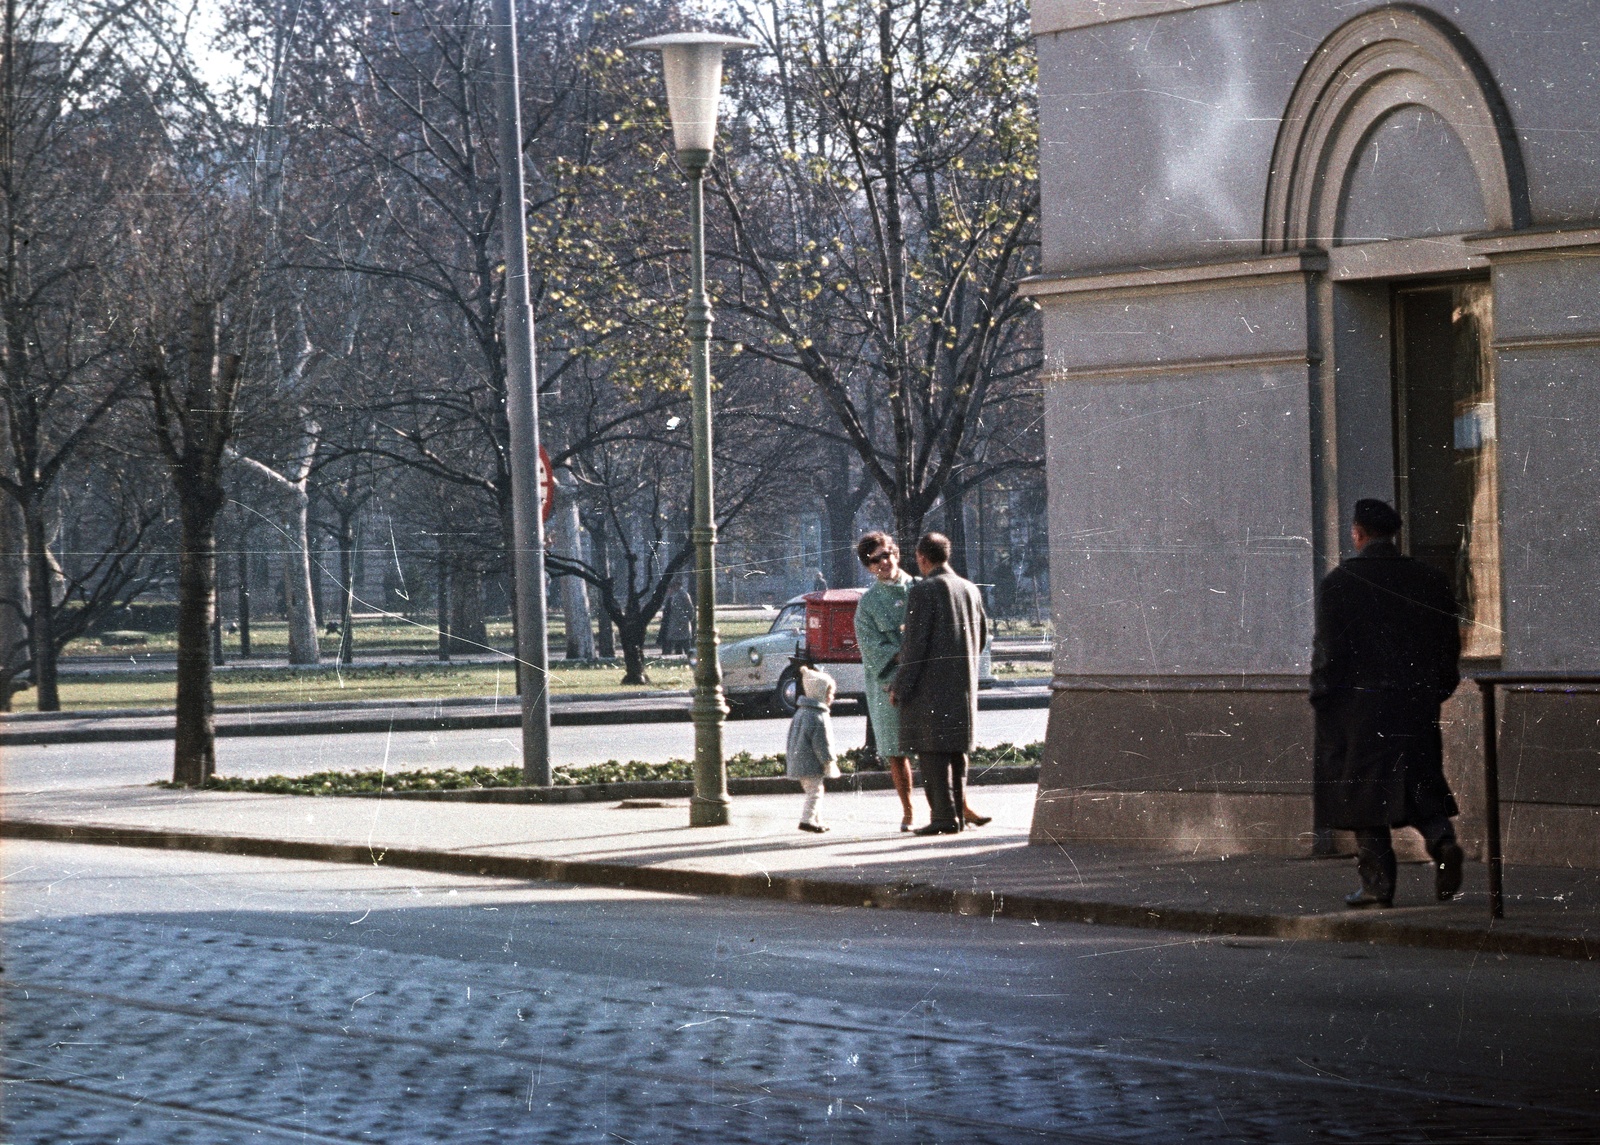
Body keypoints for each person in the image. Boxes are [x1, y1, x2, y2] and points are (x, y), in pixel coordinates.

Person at [1311, 498, 1465, 909]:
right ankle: (1441, 839)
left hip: (1358, 707)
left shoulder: (1339, 583)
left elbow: (1328, 652)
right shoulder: (1429, 579)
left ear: (1358, 533)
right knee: (1418, 779)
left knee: (1364, 794)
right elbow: (1448, 644)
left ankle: (1377, 883)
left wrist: (1323, 698)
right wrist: (1438, 688)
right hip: (1415, 701)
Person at [855, 531, 990, 832]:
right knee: (898, 748)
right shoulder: (868, 603)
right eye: (875, 560)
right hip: (889, 680)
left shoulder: (920, 587)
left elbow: (921, 641)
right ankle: (909, 809)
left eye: (887, 554)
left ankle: (952, 810)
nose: (884, 562)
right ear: (867, 567)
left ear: (899, 553)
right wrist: (897, 680)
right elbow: (872, 648)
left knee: (935, 747)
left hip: (922, 679)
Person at [786, 666, 839, 833]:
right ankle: (807, 820)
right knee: (815, 793)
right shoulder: (819, 716)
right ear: (820, 693)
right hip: (811, 764)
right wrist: (828, 760)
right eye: (829, 693)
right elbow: (823, 743)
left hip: (799, 762)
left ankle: (817, 820)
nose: (832, 697)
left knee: (815, 791)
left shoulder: (802, 712)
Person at [659, 580, 694, 657]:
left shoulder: (682, 595)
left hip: (681, 624)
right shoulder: (675, 595)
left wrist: (686, 619)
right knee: (680, 644)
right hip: (676, 625)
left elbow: (689, 609)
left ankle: (689, 659)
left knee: (684, 644)